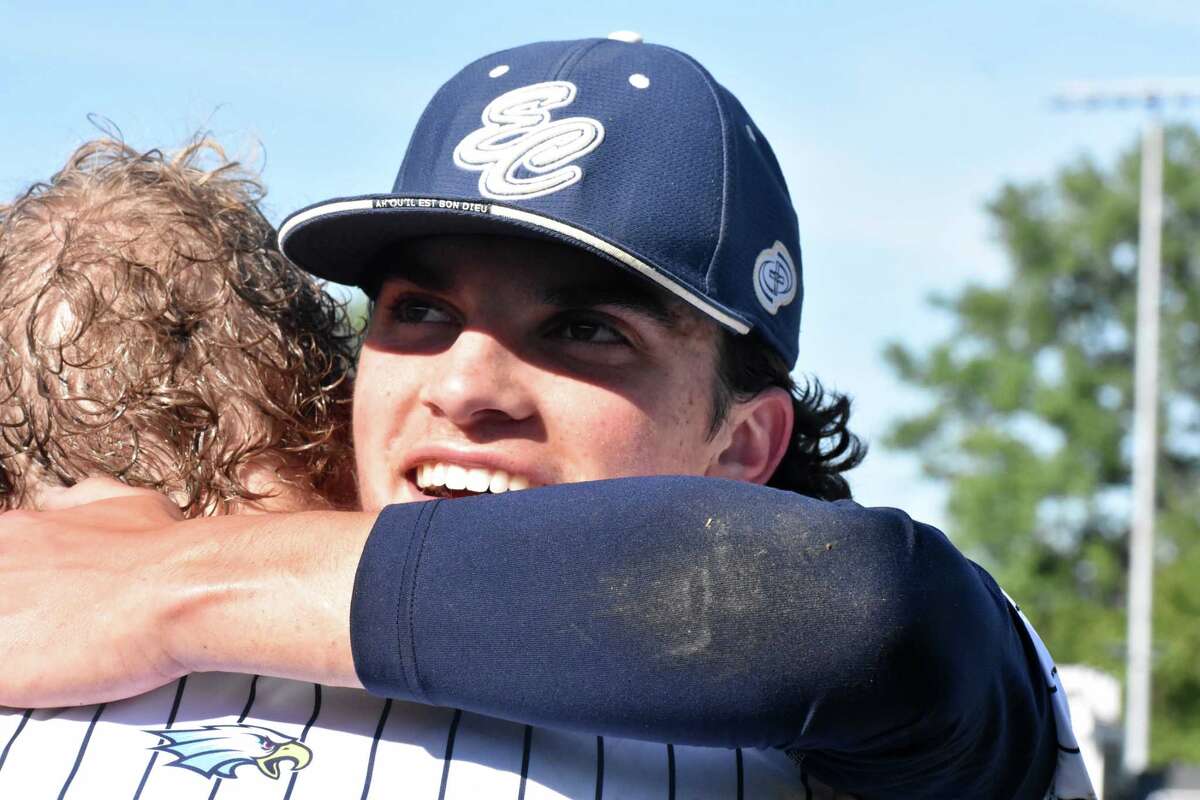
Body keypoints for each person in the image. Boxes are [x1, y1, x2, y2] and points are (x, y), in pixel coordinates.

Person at [0, 37, 1096, 799]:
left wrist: (163, 584)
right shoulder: (65, 620)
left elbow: (861, 611)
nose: (466, 381)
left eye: (584, 330)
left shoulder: (839, 732)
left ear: (744, 443)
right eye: (418, 310)